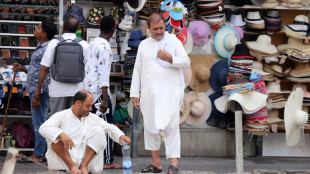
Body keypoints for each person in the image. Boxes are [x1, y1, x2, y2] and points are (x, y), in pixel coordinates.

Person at [130, 13, 190, 174]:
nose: (158, 32)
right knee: (150, 128)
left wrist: (170, 58)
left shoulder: (173, 41)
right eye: (155, 29)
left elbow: (186, 62)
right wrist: (135, 93)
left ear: (165, 26)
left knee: (171, 127)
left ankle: (174, 163)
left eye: (161, 28)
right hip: (149, 95)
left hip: (170, 93)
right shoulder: (143, 45)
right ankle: (156, 163)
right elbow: (138, 70)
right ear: (148, 29)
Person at [39, 90, 131, 174]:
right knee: (54, 137)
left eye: (91, 105)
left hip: (87, 163)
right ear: (78, 103)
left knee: (99, 131)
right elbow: (43, 128)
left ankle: (83, 166)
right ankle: (73, 167)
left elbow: (110, 128)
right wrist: (61, 134)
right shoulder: (62, 115)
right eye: (88, 106)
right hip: (65, 163)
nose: (91, 109)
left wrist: (121, 136)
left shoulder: (92, 118)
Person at [13, 19, 57, 162]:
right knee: (39, 120)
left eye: (38, 27)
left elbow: (45, 71)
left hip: (40, 90)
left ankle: (38, 154)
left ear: (44, 34)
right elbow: (37, 68)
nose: (35, 29)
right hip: (35, 88)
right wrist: (23, 68)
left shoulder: (46, 48)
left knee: (40, 121)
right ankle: (39, 151)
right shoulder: (41, 46)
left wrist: (38, 92)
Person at [83, 16, 122, 169]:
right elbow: (103, 74)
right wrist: (105, 99)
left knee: (92, 127)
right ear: (113, 30)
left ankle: (93, 159)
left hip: (89, 90)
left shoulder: (91, 44)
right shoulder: (105, 47)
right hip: (99, 93)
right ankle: (107, 160)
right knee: (106, 126)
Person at [33, 16, 88, 115]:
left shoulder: (54, 43)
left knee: (57, 123)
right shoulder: (84, 44)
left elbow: (45, 68)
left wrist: (38, 89)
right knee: (75, 123)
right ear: (77, 29)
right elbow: (89, 69)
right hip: (77, 91)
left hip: (57, 90)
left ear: (63, 28)